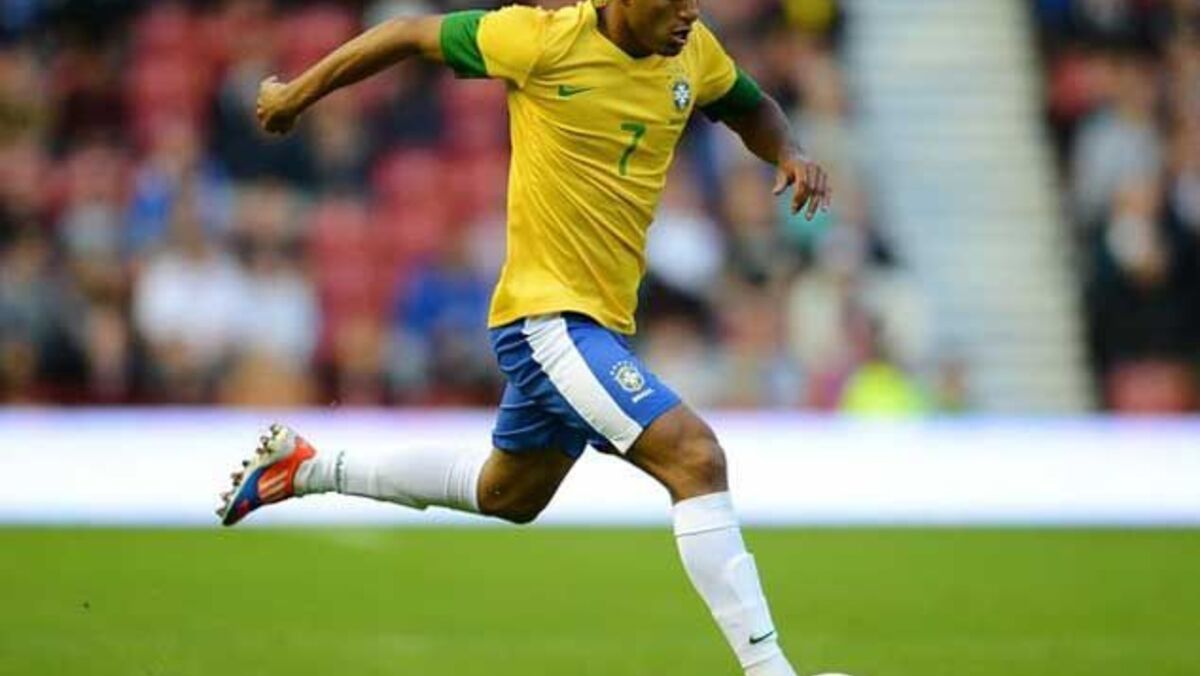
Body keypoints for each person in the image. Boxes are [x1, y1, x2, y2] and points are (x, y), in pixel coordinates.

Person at [217, 2, 831, 675]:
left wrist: (789, 151)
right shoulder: (540, 41)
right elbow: (408, 34)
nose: (690, 12)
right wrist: (295, 95)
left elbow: (750, 105)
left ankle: (305, 467)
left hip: (598, 324)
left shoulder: (694, 49)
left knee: (508, 494)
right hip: (548, 319)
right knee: (695, 457)